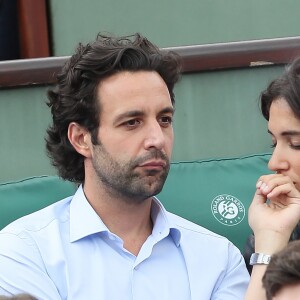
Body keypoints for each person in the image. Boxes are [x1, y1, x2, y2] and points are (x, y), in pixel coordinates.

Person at [0, 33, 249, 299]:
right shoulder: (23, 251)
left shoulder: (217, 258)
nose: (157, 139)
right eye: (132, 122)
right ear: (81, 139)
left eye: (164, 119)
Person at [244, 57, 300, 300]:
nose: (274, 163)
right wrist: (270, 243)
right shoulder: (284, 229)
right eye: (274, 143)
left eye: (296, 144)